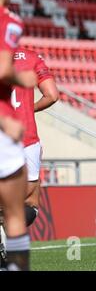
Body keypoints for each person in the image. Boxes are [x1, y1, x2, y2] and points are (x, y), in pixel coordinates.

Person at [0, 0, 36, 271]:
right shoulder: (9, 22)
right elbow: (1, 69)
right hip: (4, 130)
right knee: (15, 212)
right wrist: (22, 76)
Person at [12, 47, 59, 228]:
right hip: (26, 138)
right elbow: (52, 95)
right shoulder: (31, 57)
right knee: (30, 201)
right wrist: (28, 109)